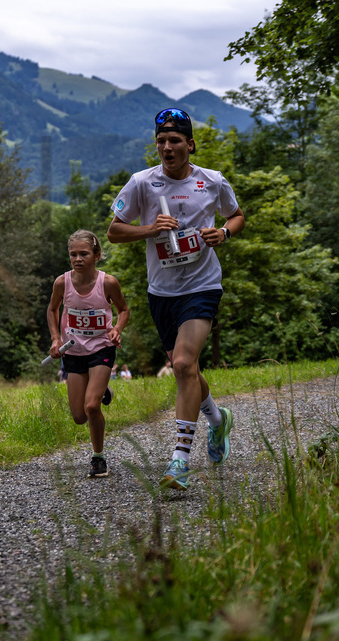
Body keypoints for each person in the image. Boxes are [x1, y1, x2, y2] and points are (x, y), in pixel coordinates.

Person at [107, 107, 244, 490]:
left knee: (183, 364)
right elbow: (114, 231)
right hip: (162, 292)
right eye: (161, 141)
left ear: (190, 145)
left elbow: (236, 216)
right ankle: (218, 420)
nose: (167, 147)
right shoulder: (141, 183)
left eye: (175, 141)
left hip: (202, 285)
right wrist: (150, 229)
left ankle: (180, 460)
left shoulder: (212, 181)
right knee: (187, 369)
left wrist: (224, 234)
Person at [46, 230, 129, 478]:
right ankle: (102, 389)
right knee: (79, 416)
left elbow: (124, 310)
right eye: (73, 254)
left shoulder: (108, 283)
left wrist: (116, 329)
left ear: (96, 255)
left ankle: (98, 458)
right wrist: (55, 338)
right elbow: (52, 309)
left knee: (92, 407)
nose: (78, 259)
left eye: (83, 254)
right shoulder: (62, 283)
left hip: (102, 347)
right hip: (73, 350)